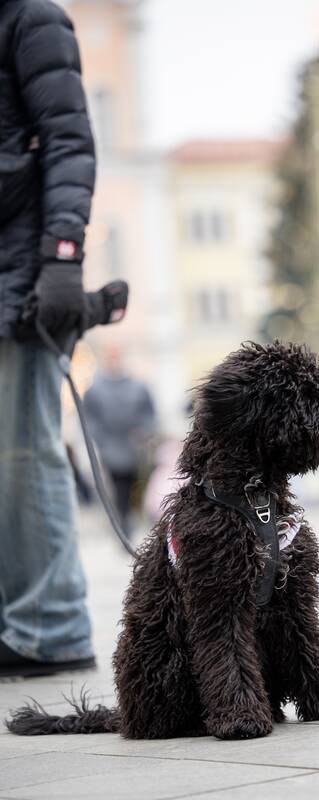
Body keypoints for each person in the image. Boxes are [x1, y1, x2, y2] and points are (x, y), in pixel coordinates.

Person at [0, 0, 97, 677]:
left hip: (22, 277)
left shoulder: (29, 19)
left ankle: (52, 628)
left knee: (25, 454)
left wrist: (63, 257)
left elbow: (69, 142)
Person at [84, 347, 157, 537]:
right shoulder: (95, 390)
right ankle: (122, 524)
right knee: (117, 489)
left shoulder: (138, 387)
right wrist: (101, 440)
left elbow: (149, 414)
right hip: (111, 448)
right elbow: (90, 419)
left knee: (136, 487)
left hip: (135, 448)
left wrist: (144, 432)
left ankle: (131, 521)